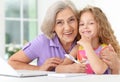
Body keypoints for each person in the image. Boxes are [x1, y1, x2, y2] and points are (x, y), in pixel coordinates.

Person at [8, 0, 81, 71]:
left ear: (78, 21)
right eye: (59, 22)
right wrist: (39, 69)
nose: (67, 28)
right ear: (52, 26)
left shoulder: (84, 40)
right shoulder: (43, 41)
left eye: (71, 20)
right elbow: (12, 63)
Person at [55, 6, 120, 74]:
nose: (85, 27)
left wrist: (87, 45)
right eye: (82, 24)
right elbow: (58, 68)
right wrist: (71, 68)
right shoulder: (78, 48)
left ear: (100, 26)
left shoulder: (105, 49)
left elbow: (99, 70)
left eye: (91, 23)